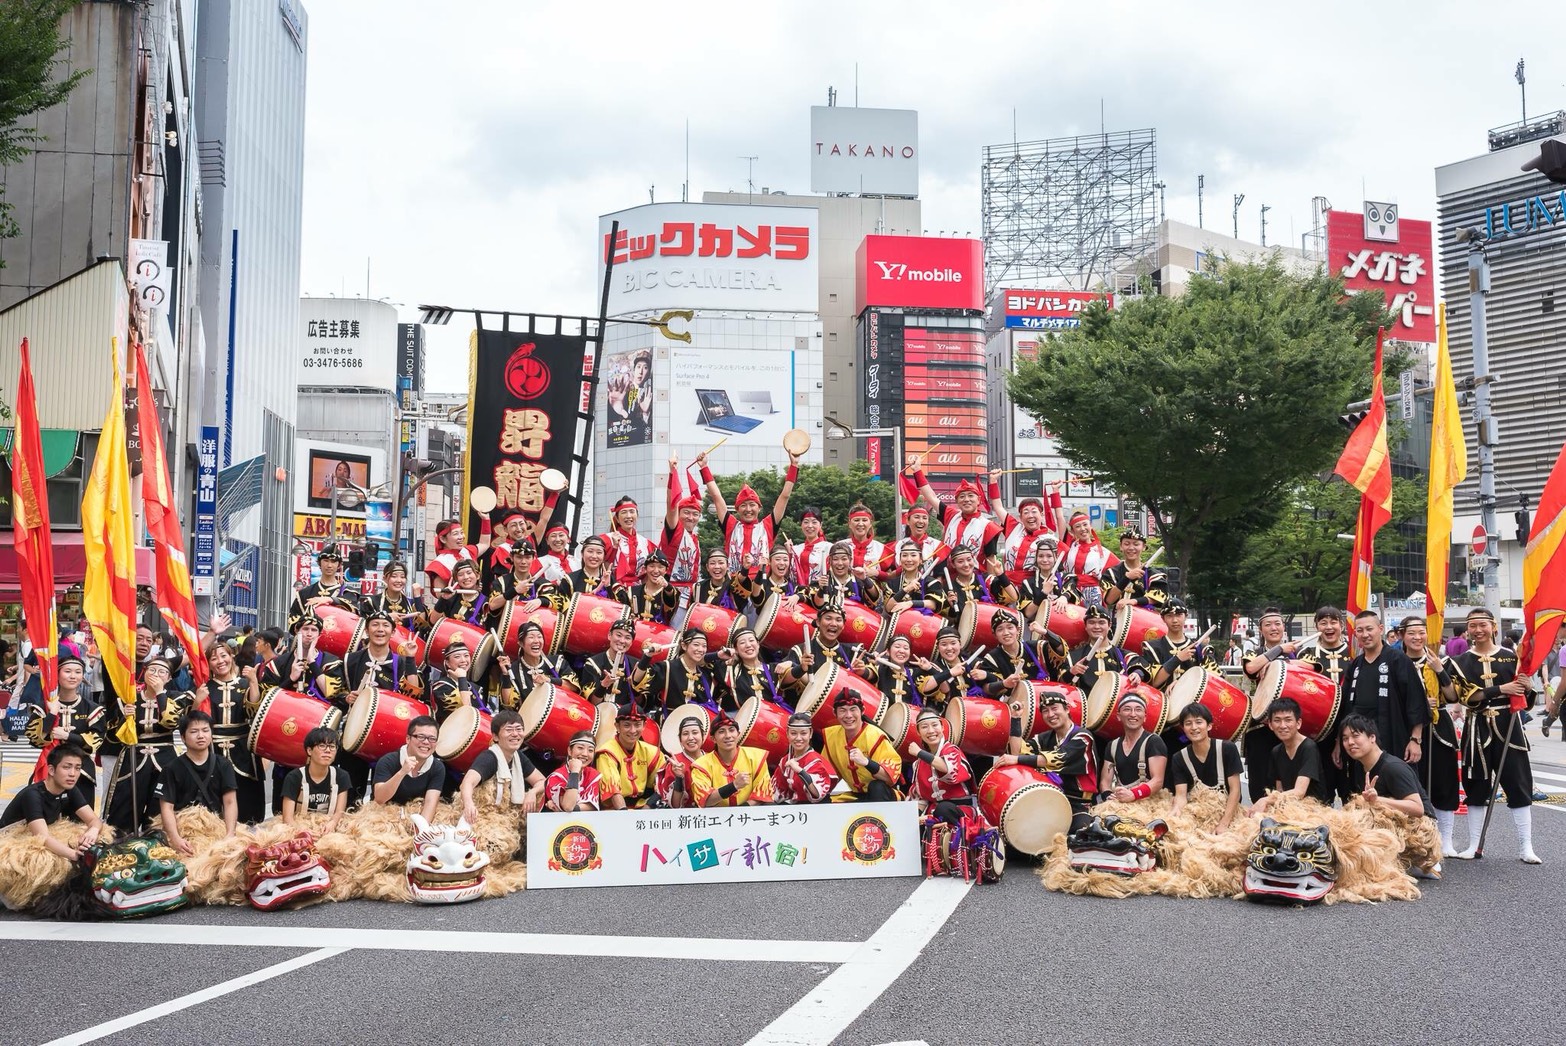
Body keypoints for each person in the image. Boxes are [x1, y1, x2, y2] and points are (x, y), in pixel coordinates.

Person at [1449, 608, 1540, 863]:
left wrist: (1527, 687)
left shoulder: (1513, 658)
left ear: (1494, 627)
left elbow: (1525, 698)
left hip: (1509, 725)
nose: (1478, 630)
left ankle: (1526, 847)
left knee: (1519, 783)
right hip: (1477, 726)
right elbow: (1463, 696)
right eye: (1473, 625)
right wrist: (1501, 688)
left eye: (1483, 625)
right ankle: (1475, 844)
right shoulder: (1459, 661)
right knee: (1476, 784)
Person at [1338, 611, 1428, 787]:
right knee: (1362, 789)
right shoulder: (1355, 665)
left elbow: (1415, 701)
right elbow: (1345, 707)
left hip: (1393, 735)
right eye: (1360, 630)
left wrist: (1415, 739)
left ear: (1380, 629)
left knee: (1398, 787)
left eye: (1369, 629)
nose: (1365, 634)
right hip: (1360, 741)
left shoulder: (1399, 660)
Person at [102, 656, 190, 833]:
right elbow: (112, 736)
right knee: (125, 801)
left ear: (169, 678)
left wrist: (160, 694)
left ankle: (157, 842)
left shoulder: (177, 697)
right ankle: (121, 842)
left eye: (162, 671)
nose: (156, 674)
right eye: (152, 670)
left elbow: (170, 723)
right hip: (133, 755)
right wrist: (124, 718)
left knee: (160, 804)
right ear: (144, 673)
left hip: (165, 757)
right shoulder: (128, 698)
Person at [1399, 615, 1462, 854]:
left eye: (1421, 632)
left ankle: (1446, 840)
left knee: (1444, 781)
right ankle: (1416, 839)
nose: (1417, 637)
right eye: (1411, 633)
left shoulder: (1440, 660)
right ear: (1403, 635)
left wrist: (1439, 671)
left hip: (1439, 727)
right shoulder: (1396, 662)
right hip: (1406, 728)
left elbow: (1454, 696)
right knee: (1411, 784)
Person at [1000, 688, 1096, 829]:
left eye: (1054, 708)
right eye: (1045, 711)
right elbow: (1017, 752)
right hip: (1048, 799)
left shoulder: (1083, 737)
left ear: (1067, 709)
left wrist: (1017, 760)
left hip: (1078, 805)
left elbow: (1056, 759)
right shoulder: (1045, 737)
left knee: (1079, 838)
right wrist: (1015, 719)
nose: (1050, 714)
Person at [699, 447, 801, 577]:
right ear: (737, 509)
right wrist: (704, 467)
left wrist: (794, 465)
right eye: (743, 505)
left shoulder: (768, 525)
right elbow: (716, 497)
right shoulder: (731, 525)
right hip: (734, 584)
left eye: (752, 505)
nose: (748, 509)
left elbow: (785, 496)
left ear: (759, 508)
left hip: (762, 584)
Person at [24, 652, 104, 809]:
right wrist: (51, 714)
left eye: (78, 672)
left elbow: (96, 739)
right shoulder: (43, 707)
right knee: (49, 818)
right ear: (57, 675)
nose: (73, 676)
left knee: (81, 822)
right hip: (50, 771)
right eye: (67, 671)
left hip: (82, 772)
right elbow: (35, 739)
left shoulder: (92, 708)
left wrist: (68, 736)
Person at [155, 710, 239, 856]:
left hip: (216, 828)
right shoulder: (171, 768)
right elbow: (167, 807)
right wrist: (176, 839)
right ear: (183, 737)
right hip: (185, 832)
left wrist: (230, 834)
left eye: (205, 730)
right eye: (194, 731)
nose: (201, 736)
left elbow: (230, 802)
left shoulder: (223, 764)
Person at [0, 744, 103, 861]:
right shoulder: (32, 795)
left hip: (38, 834)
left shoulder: (70, 789)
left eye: (77, 768)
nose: (73, 774)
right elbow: (42, 837)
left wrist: (93, 832)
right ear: (51, 770)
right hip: (11, 841)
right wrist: (75, 855)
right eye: (67, 767)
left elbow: (93, 820)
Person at [199, 638, 264, 823]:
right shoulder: (205, 688)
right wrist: (197, 700)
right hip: (214, 750)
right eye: (213, 658)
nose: (220, 661)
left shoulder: (244, 684)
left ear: (231, 656)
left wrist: (253, 682)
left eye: (223, 655)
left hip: (244, 750)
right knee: (215, 796)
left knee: (247, 797)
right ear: (208, 663)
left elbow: (254, 712)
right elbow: (195, 722)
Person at [1167, 703, 1243, 834]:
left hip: (1229, 812)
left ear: (1209, 725)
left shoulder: (1227, 748)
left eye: (1198, 722)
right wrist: (1176, 812)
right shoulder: (1179, 758)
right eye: (1188, 723)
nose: (1194, 727)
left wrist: (1224, 823)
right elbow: (1181, 795)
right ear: (1183, 728)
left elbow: (1235, 790)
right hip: (1197, 812)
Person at [461, 709, 545, 824]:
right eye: (509, 730)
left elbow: (542, 781)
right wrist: (469, 804)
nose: (515, 734)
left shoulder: (518, 757)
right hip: (484, 817)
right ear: (495, 737)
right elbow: (467, 782)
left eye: (519, 729)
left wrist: (532, 792)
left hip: (508, 816)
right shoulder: (489, 757)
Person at [1250, 697, 1331, 813]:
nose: (1283, 726)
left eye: (1288, 720)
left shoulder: (1309, 747)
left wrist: (1266, 800)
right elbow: (1280, 789)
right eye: (1277, 720)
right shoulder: (1276, 751)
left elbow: (1299, 792)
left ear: (1298, 723)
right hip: (1289, 810)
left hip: (1313, 812)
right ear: (1271, 725)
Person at [820, 692, 901, 801]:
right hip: (856, 796)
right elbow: (826, 776)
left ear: (862, 711)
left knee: (877, 787)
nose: (848, 715)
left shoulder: (875, 735)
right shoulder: (832, 737)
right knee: (824, 798)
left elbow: (889, 778)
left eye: (853, 709)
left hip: (882, 795)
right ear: (835, 713)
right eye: (842, 710)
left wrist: (866, 762)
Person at [907, 706, 977, 824]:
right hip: (933, 812)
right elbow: (919, 798)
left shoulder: (952, 750)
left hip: (961, 812)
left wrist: (919, 753)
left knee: (943, 809)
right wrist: (912, 818)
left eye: (935, 725)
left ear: (942, 727)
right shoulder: (917, 765)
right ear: (918, 732)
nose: (930, 731)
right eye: (924, 727)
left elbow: (949, 770)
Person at [689, 713, 775, 807]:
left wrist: (738, 813)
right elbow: (705, 801)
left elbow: (762, 794)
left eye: (731, 730)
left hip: (749, 817)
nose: (728, 735)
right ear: (713, 739)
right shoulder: (701, 765)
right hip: (716, 818)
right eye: (721, 731)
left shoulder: (756, 757)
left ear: (738, 734)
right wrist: (734, 785)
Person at [371, 716, 445, 821]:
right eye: (420, 736)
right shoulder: (388, 761)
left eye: (432, 738)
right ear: (408, 739)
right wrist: (402, 772)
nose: (426, 742)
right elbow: (379, 799)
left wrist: (421, 831)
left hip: (416, 816)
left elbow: (430, 803)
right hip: (384, 817)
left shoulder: (437, 767)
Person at [1099, 691, 1167, 803]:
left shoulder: (1154, 741)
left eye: (1138, 709)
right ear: (1118, 716)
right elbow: (1105, 782)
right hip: (1121, 801)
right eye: (1127, 709)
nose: (1133, 714)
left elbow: (1158, 781)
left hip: (1147, 802)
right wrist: (1109, 796)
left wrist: (1134, 794)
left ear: (1145, 717)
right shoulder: (1112, 746)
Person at [631, 629, 718, 716]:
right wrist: (647, 656)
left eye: (704, 646)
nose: (701, 649)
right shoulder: (668, 667)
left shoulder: (705, 675)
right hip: (669, 722)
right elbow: (637, 681)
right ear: (683, 646)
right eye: (696, 645)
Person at [280, 728, 352, 831]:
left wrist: (332, 823)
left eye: (332, 747)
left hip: (329, 827)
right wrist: (303, 832)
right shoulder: (294, 777)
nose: (328, 750)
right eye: (322, 746)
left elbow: (339, 812)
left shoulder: (341, 776)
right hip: (299, 827)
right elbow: (287, 818)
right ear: (309, 750)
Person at [596, 709, 665, 809]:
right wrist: (627, 818)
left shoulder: (652, 752)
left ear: (644, 726)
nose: (633, 730)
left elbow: (661, 784)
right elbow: (612, 789)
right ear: (617, 726)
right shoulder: (607, 752)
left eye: (637, 725)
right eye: (627, 725)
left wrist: (647, 808)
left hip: (645, 806)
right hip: (614, 810)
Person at [661, 461, 704, 605]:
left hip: (691, 595)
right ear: (679, 514)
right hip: (670, 592)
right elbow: (671, 505)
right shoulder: (674, 530)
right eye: (686, 512)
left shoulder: (695, 538)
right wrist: (672, 473)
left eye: (695, 514)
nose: (690, 517)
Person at [288, 545, 356, 633]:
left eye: (333, 562)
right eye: (326, 561)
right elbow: (292, 620)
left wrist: (329, 599)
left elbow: (353, 610)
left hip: (338, 642)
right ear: (319, 563)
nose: (329, 565)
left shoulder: (347, 592)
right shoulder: (304, 593)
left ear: (339, 565)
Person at [772, 713, 835, 804]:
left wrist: (799, 771)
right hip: (795, 811)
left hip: (817, 810)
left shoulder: (815, 761)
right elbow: (776, 793)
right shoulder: (785, 761)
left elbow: (817, 794)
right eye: (793, 733)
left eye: (803, 733)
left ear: (811, 733)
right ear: (787, 734)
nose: (798, 738)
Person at [578, 618, 639, 710]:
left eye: (627, 637)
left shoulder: (635, 666)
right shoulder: (593, 664)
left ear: (631, 642)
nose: (622, 641)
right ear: (609, 635)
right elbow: (592, 703)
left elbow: (642, 705)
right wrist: (603, 685)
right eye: (618, 635)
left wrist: (635, 687)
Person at [1100, 528, 1168, 610]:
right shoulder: (1111, 573)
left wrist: (1133, 601)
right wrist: (1127, 578)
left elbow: (1158, 598)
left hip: (1147, 619)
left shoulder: (1154, 574)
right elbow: (1109, 600)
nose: (1131, 548)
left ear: (1144, 547)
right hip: (1119, 619)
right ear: (1121, 546)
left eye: (1136, 544)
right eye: (1127, 544)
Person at [544, 732, 613, 812]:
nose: (585, 754)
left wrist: (573, 808)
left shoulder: (593, 774)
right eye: (580, 748)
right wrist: (574, 772)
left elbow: (591, 806)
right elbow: (568, 806)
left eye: (590, 750)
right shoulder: (556, 777)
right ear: (570, 750)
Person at [599, 495, 658, 587]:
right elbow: (601, 567)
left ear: (637, 516)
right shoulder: (605, 539)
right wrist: (614, 547)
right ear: (617, 519)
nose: (628, 516)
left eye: (632, 511)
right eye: (624, 512)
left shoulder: (646, 543)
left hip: (639, 591)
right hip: (613, 589)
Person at [428, 637, 491, 721]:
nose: (463, 660)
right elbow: (466, 710)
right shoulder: (441, 687)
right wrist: (461, 678)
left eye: (466, 656)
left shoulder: (475, 688)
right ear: (447, 663)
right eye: (457, 657)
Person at [613, 549, 681, 625]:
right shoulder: (632, 592)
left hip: (660, 635)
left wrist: (667, 587)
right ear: (645, 569)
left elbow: (670, 599)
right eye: (652, 566)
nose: (656, 571)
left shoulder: (672, 592)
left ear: (666, 570)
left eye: (660, 567)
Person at [658, 714, 707, 808]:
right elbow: (675, 805)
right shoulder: (674, 763)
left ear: (703, 735)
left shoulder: (712, 758)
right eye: (685, 734)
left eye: (695, 732)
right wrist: (679, 778)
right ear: (680, 739)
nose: (690, 738)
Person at [793, 508, 830, 585]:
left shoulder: (828, 548)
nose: (810, 526)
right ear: (801, 524)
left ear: (821, 525)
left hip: (820, 593)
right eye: (806, 522)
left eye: (814, 522)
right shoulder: (795, 549)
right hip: (797, 594)